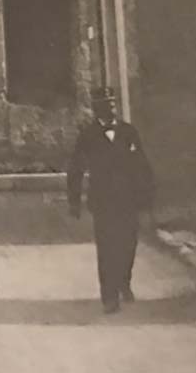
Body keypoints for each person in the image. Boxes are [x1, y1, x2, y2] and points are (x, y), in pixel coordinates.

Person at [67, 87, 155, 314]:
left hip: (128, 199)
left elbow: (142, 166)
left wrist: (146, 199)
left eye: (114, 103)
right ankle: (109, 296)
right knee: (107, 247)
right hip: (103, 201)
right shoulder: (87, 135)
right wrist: (74, 201)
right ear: (98, 108)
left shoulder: (128, 132)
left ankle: (124, 281)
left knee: (128, 244)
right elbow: (75, 168)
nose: (112, 107)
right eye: (107, 104)